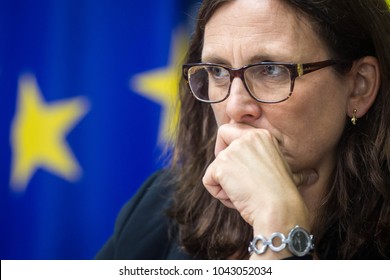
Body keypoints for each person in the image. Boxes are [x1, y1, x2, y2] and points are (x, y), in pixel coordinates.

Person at [96, 0, 390, 260]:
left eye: (271, 69)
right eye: (217, 71)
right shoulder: (159, 206)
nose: (235, 107)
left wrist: (279, 228)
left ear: (358, 87)